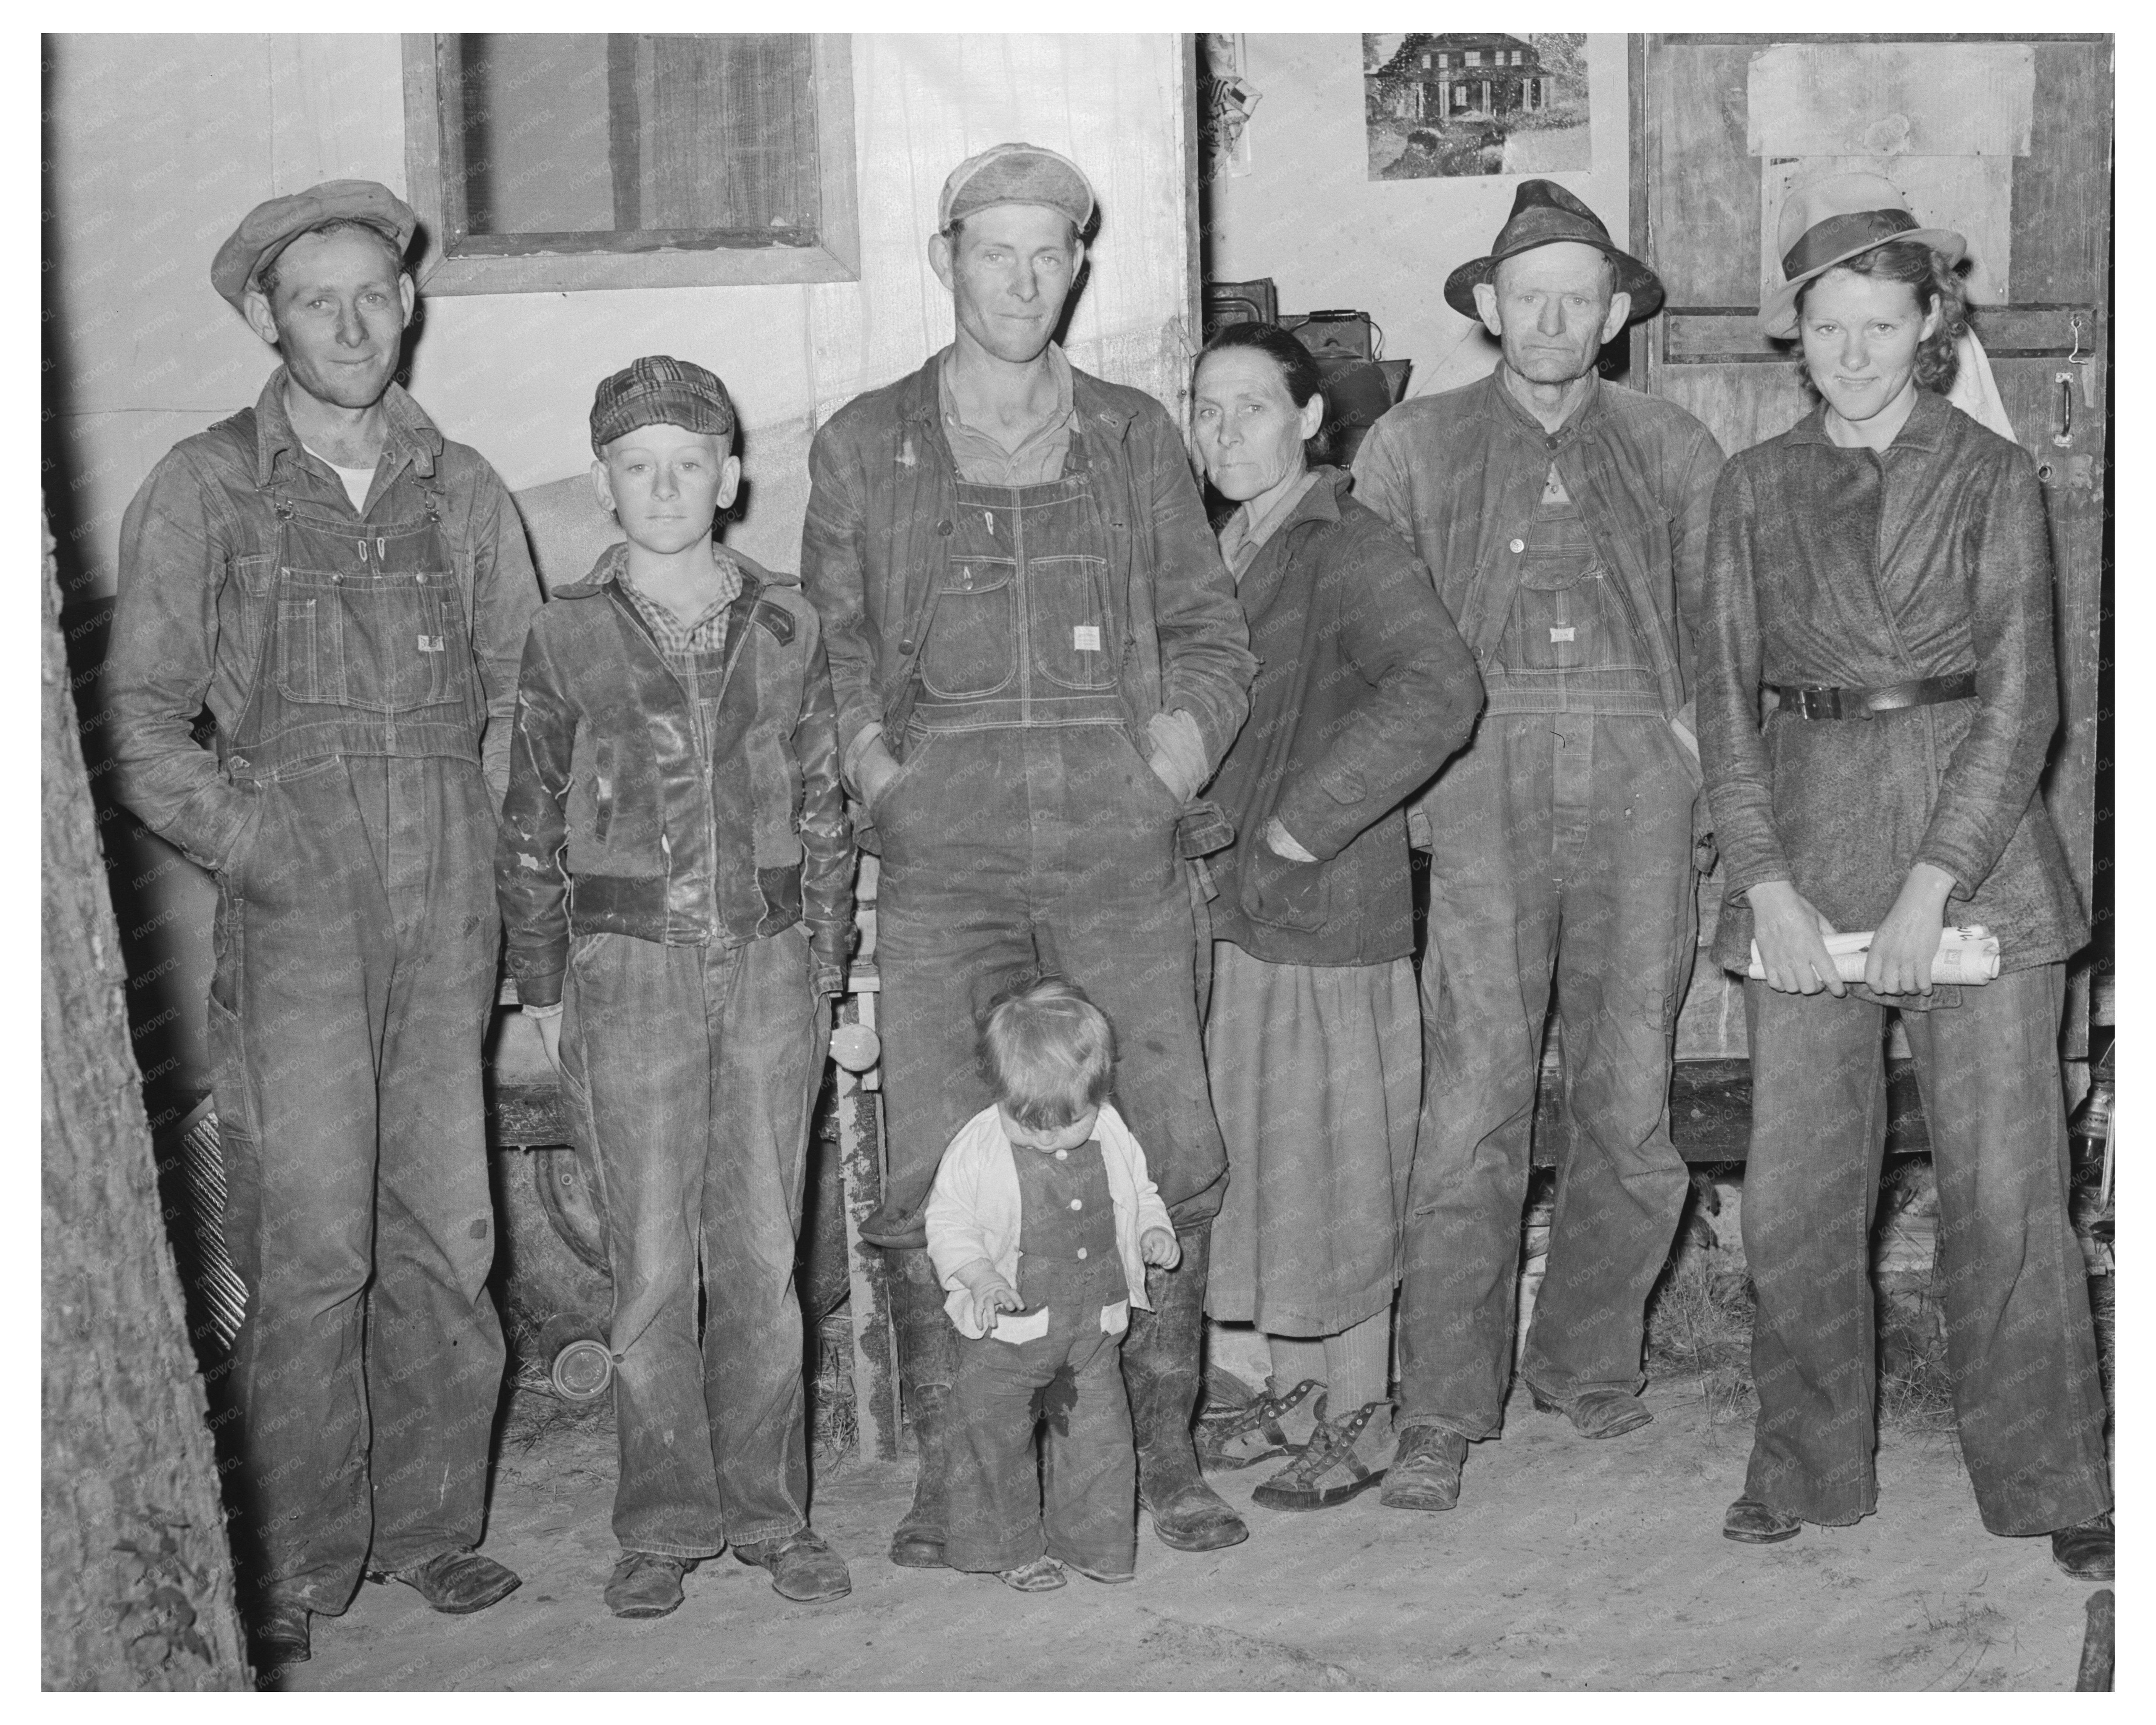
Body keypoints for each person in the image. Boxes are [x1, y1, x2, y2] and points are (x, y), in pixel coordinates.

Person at [800, 142, 1257, 1565]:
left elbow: (1211, 637)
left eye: (1046, 250)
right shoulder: (865, 443)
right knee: (937, 1165)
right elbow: (838, 657)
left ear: (1077, 264)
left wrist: (1160, 766)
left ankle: (1162, 1462)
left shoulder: (1131, 436)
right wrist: (891, 785)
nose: (1020, 277)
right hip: (950, 862)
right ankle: (964, 1476)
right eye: (992, 249)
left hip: (1117, 850)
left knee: (1167, 1149)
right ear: (947, 258)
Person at [104, 180, 540, 1664]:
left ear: (409, 302)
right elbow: (145, 729)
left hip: (448, 902)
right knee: (311, 1249)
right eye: (316, 302)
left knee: (449, 1233)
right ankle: (298, 1546)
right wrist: (266, 848)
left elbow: (518, 704)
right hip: (297, 912)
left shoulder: (463, 487)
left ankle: (431, 1530)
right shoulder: (204, 486)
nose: (352, 325)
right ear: (264, 320)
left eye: (375, 294)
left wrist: (483, 857)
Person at [1697, 172, 2112, 1579]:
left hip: (1980, 862)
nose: (1855, 352)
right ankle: (1805, 1470)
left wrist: (1941, 882)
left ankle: (2053, 1477)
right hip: (1807, 858)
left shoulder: (1996, 478)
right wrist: (1762, 883)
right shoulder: (1751, 489)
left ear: (1932, 325)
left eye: (1883, 324)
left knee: (2007, 1190)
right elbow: (1723, 701)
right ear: (1796, 336)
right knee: (1801, 1189)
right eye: (1829, 328)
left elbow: (2023, 706)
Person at [1351, 181, 1725, 1512]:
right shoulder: (1410, 449)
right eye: (1530, 295)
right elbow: (1375, 646)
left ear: (1616, 312)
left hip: (1639, 784)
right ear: (1490, 311)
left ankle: (1587, 1360)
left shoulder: (1679, 449)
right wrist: (1407, 797)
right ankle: (1446, 1403)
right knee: (1472, 1107)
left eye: (1581, 294)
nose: (1555, 316)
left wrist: (1700, 766)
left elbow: (1727, 643)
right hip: (1483, 780)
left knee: (1631, 1103)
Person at [495, 356, 855, 1618]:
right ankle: (661, 1520)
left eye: (689, 463)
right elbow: (528, 810)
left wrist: (828, 961)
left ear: (732, 477)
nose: (665, 487)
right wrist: (543, 976)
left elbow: (823, 800)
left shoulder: (792, 621)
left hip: (766, 971)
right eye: (638, 466)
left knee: (761, 1250)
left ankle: (770, 1513)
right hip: (624, 974)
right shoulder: (563, 635)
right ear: (604, 483)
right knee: (650, 1259)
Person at [1180, 324, 1481, 1508]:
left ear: (1309, 420)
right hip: (1249, 914)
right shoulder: (1233, 547)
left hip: (1321, 913)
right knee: (1277, 1165)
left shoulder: (1345, 543)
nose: (1223, 431)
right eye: (1205, 410)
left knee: (1340, 1164)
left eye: (1250, 407)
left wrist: (1306, 826)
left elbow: (1440, 688)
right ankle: (1298, 1392)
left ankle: (1360, 1416)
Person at [925, 979, 1179, 1590]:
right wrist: (981, 1276)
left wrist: (1151, 1229)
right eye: (1029, 1124)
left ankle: (1094, 1542)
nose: (1048, 1138)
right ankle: (1007, 1548)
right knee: (995, 1442)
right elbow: (948, 1221)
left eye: (1069, 1124)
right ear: (1003, 1094)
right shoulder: (978, 1145)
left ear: (1099, 1092)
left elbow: (1140, 1192)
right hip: (1007, 1337)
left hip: (1092, 1330)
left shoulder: (1113, 1129)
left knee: (1101, 1440)